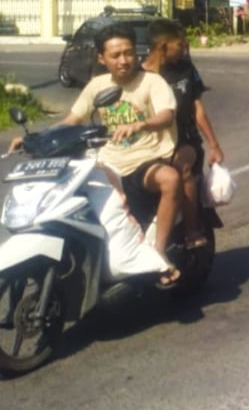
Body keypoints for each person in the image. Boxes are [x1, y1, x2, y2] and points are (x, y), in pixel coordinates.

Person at [7, 24, 186, 285]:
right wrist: (34, 138)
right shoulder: (98, 85)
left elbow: (166, 115)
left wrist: (141, 124)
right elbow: (72, 120)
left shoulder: (152, 82)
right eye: (115, 55)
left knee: (170, 179)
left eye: (128, 53)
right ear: (101, 58)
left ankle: (157, 254)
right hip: (107, 162)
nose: (123, 60)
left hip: (145, 159)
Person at [141, 19, 224, 248]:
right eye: (179, 44)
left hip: (185, 141)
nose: (184, 48)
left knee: (181, 167)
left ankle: (192, 231)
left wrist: (214, 145)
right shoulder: (139, 75)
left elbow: (197, 108)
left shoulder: (186, 70)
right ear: (163, 46)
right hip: (149, 145)